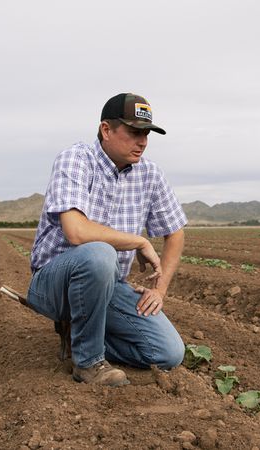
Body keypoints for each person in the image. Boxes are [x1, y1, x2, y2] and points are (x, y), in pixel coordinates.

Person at [28, 93, 188, 386]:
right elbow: (76, 231)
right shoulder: (76, 159)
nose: (142, 142)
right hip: (53, 284)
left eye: (147, 134)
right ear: (106, 130)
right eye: (134, 132)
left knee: (168, 353)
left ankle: (79, 335)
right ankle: (88, 362)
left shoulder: (150, 174)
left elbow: (175, 232)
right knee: (100, 253)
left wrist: (159, 291)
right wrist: (138, 241)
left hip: (107, 286)